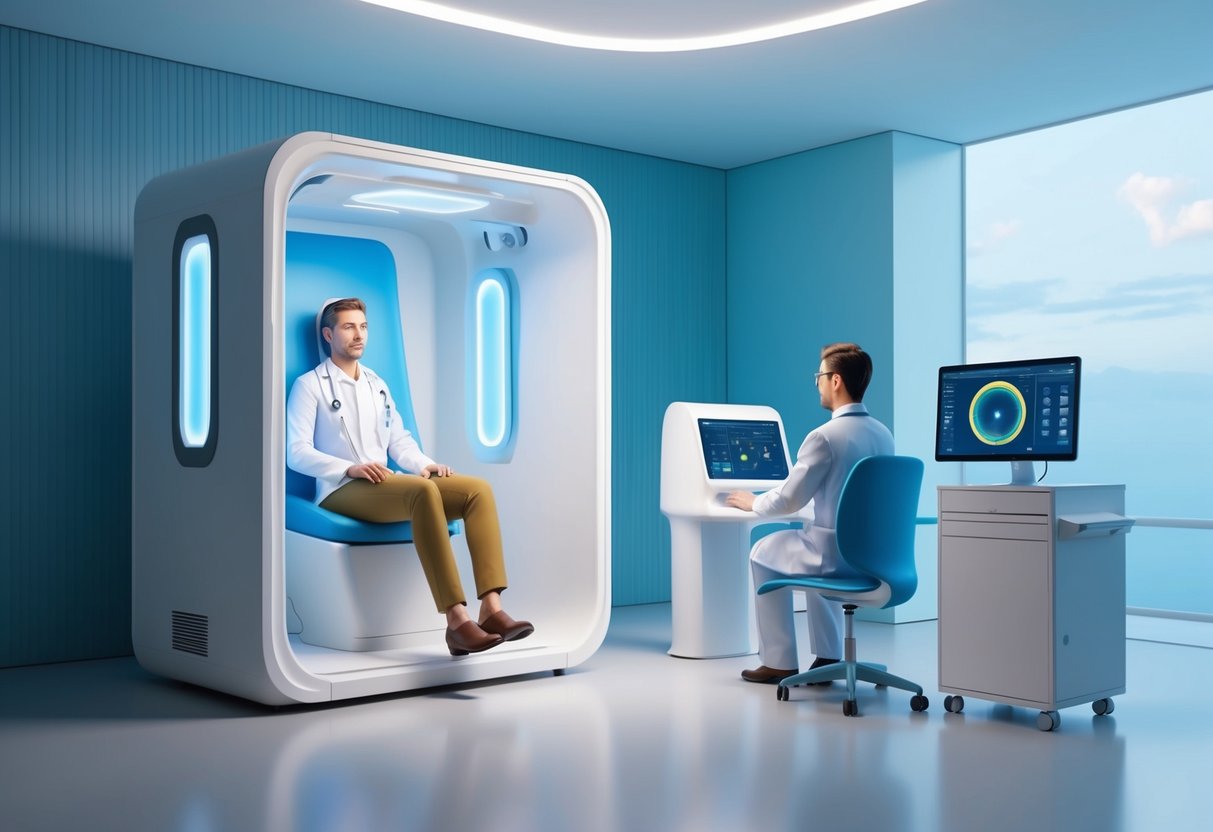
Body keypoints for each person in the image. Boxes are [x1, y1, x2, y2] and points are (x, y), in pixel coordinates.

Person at [286, 297, 533, 656]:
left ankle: (491, 609)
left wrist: (423, 464)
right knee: (422, 493)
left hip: (384, 484)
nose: (359, 335)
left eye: (364, 327)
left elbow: (398, 439)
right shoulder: (309, 386)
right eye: (349, 327)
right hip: (340, 488)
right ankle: (456, 621)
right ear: (328, 334)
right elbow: (295, 452)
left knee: (476, 490)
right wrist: (348, 468)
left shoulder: (376, 384)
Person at [724, 342, 893, 684]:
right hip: (875, 558)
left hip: (833, 557)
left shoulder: (825, 437)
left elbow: (788, 499)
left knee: (764, 553)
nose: (816, 382)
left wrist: (753, 502)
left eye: (819, 375)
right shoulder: (883, 435)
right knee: (811, 548)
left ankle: (779, 661)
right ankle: (828, 656)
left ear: (835, 381)